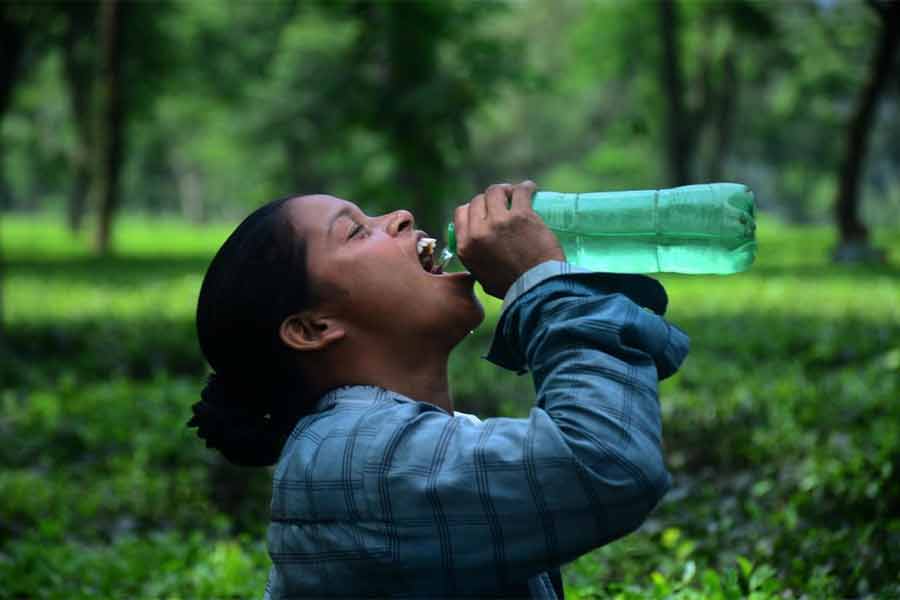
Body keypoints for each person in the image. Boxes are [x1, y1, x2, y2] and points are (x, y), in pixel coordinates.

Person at [187, 181, 690, 599]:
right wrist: (544, 285)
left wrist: (554, 284)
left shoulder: (407, 442)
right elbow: (610, 462)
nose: (402, 216)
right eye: (357, 231)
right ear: (313, 327)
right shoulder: (353, 457)